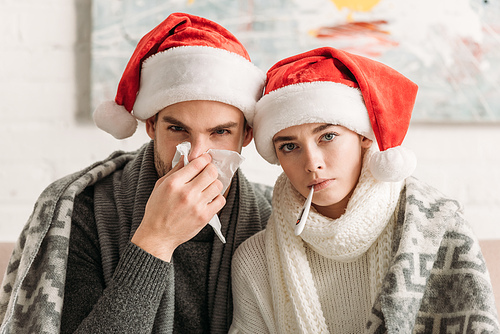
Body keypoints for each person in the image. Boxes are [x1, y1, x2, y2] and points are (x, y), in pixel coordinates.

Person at [0, 13, 273, 333]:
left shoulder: (272, 219)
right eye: (177, 129)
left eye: (220, 133)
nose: (198, 156)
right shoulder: (80, 210)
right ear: (151, 127)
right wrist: (155, 240)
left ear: (246, 137)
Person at [229, 47, 499, 333]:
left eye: (328, 136)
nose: (312, 163)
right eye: (289, 146)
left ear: (364, 137)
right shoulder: (254, 260)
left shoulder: (435, 227)